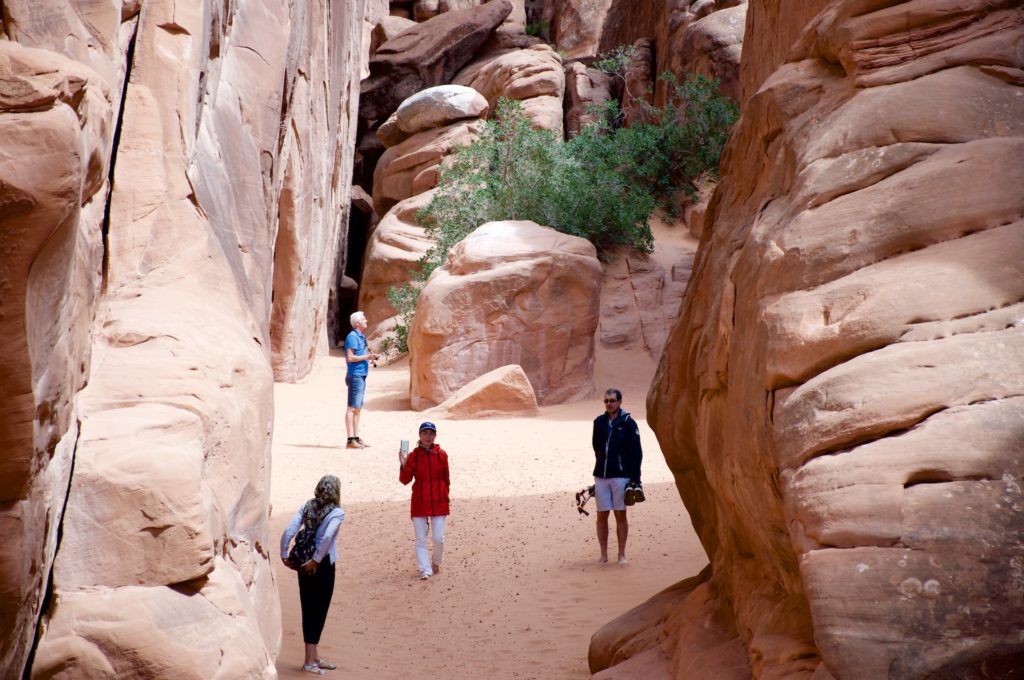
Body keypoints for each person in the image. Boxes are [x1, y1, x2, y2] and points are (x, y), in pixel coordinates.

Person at [281, 475, 346, 675]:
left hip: (303, 560)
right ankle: (309, 660)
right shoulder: (336, 512)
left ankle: (314, 656)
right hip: (322, 564)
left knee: (308, 606)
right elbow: (327, 537)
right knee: (318, 610)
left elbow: (289, 529)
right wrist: (316, 560)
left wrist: (284, 553)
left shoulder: (307, 506)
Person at [591, 388, 642, 565]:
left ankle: (621, 555)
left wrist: (635, 479)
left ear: (620, 402)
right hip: (601, 476)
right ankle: (603, 555)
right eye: (606, 401)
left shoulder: (629, 423)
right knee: (601, 516)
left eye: (612, 400)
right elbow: (596, 447)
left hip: (621, 477)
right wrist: (602, 466)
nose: (609, 404)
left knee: (620, 515)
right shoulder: (598, 422)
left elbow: (637, 453)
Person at [398, 422, 450, 580]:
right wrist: (403, 465)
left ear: (435, 435)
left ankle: (436, 562)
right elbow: (405, 480)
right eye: (425, 433)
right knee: (420, 539)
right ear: (419, 436)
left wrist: (445, 497)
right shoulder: (413, 456)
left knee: (438, 538)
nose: (428, 436)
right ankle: (424, 569)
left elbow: (447, 479)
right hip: (419, 502)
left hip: (439, 502)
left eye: (431, 433)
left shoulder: (442, 454)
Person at [344, 311, 377, 449]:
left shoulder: (361, 337)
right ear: (357, 323)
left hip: (361, 375)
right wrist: (367, 358)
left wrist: (369, 356)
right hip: (355, 375)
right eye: (363, 319)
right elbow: (350, 358)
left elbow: (359, 355)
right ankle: (350, 440)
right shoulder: (352, 337)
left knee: (357, 408)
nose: (366, 320)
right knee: (352, 407)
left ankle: (356, 437)